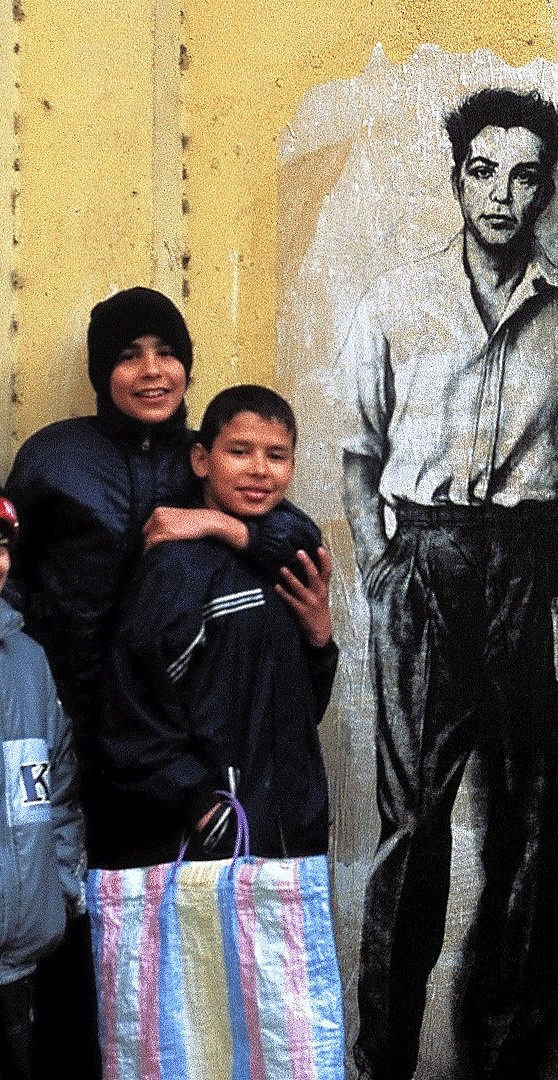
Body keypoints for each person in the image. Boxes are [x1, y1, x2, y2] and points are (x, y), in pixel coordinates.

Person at [340, 87, 558, 1079]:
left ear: (546, 187)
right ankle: (380, 1058)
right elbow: (358, 456)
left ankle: (509, 1060)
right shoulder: (394, 302)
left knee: (535, 827)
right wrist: (381, 569)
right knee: (412, 827)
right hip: (426, 568)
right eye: (483, 171)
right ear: (457, 178)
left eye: (523, 175)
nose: (502, 195)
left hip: (541, 566)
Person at [4, 288, 324, 1078]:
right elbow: (8, 569)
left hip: (175, 755)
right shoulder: (54, 457)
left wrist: (218, 524)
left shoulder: (210, 455)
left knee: (160, 960)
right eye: (127, 355)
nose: (151, 371)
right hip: (71, 742)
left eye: (166, 352)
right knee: (70, 942)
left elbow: (295, 532)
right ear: (98, 371)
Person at [95, 384, 337, 866]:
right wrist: (200, 804)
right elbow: (130, 704)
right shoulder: (176, 567)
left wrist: (319, 641)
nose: (259, 470)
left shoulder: (289, 567)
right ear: (202, 459)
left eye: (277, 455)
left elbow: (299, 709)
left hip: (288, 832)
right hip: (209, 841)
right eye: (239, 451)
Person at [0, 492, 83, 1080]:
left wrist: (60, 888)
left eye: (0, 545)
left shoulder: (27, 659)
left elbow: (59, 788)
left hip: (19, 957)